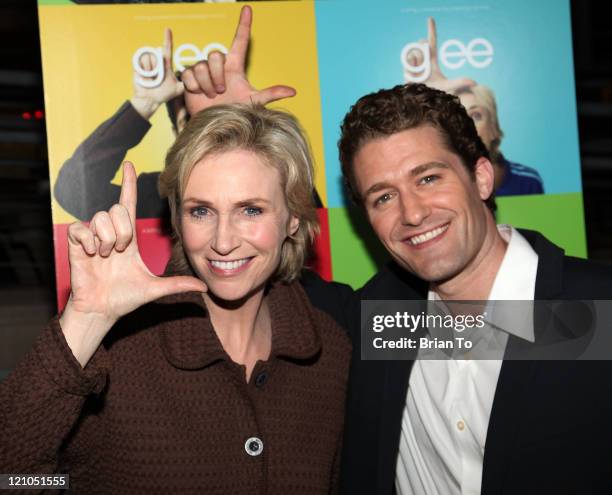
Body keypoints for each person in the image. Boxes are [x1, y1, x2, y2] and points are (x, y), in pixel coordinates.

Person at [0, 104, 351, 494]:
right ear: (177, 222)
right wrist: (86, 320)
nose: (222, 240)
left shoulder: (332, 348)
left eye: (250, 209)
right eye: (201, 211)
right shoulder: (117, 355)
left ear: (293, 220)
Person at [336, 83, 612, 494]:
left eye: (428, 178)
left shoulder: (598, 309)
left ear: (481, 178)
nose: (412, 213)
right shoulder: (379, 317)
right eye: (383, 198)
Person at [53, 6, 317, 222]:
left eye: (251, 211)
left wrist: (242, 121)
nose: (207, 131)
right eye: (192, 123)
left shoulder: (268, 183)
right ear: (177, 134)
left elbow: (312, 222)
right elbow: (72, 191)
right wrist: (143, 104)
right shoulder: (154, 195)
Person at [403, 17, 545, 196]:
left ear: (494, 128)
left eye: (476, 115)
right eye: (459, 117)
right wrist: (416, 103)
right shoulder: (438, 188)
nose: (467, 125)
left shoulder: (528, 182)